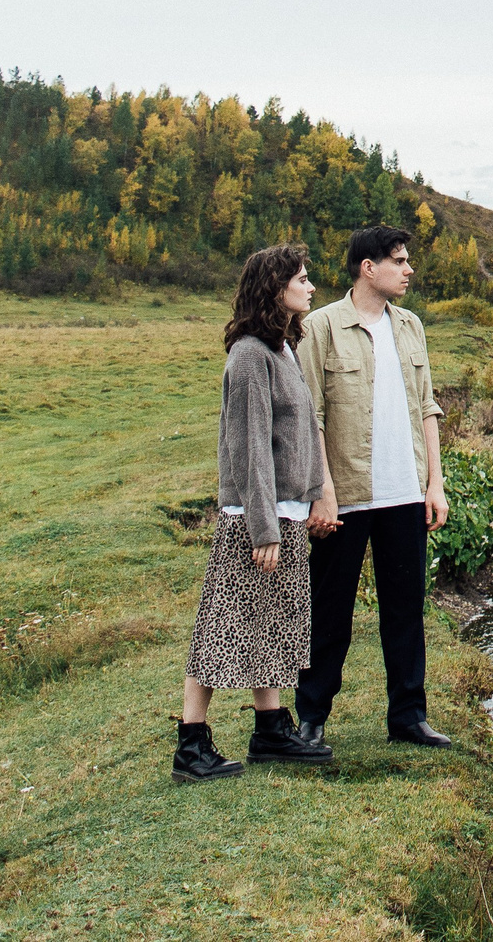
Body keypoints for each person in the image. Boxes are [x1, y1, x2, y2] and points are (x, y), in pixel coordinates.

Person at [176, 243, 334, 782]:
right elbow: (249, 447)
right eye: (302, 279)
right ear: (275, 287)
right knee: (224, 626)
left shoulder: (282, 347)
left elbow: (296, 436)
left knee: (267, 625)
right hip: (253, 518)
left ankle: (271, 729)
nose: (311, 287)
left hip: (281, 514)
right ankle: (191, 745)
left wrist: (311, 497)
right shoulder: (249, 354)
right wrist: (263, 526)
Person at [294, 224, 454, 747]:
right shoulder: (320, 328)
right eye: (400, 261)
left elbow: (427, 407)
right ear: (369, 268)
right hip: (346, 495)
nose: (409, 270)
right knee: (330, 611)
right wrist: (323, 490)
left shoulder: (411, 327)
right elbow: (309, 416)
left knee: (406, 608)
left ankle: (408, 718)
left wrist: (436, 483)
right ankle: (312, 718)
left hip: (405, 493)